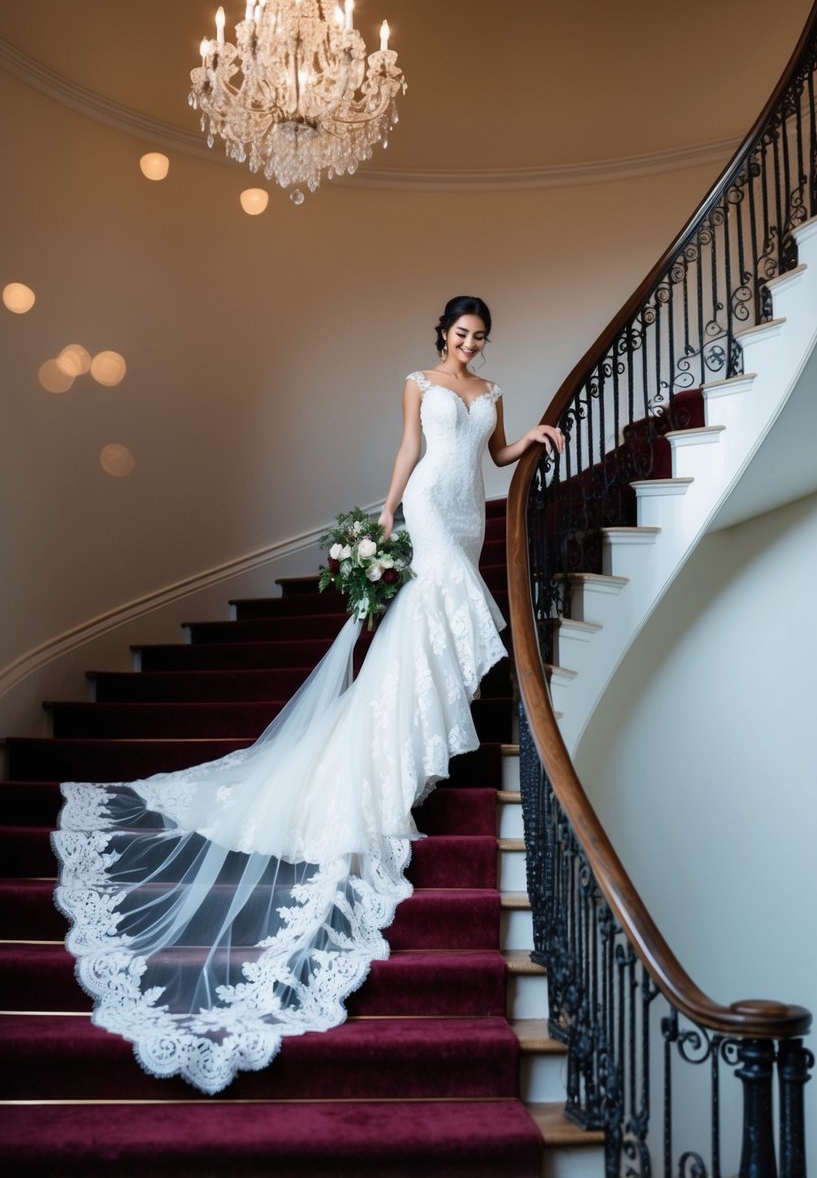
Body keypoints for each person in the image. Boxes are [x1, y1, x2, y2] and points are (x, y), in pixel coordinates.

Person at [53, 296, 565, 1095]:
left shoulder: (491, 390)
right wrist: (391, 504)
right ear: (440, 335)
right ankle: (402, 750)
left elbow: (492, 457)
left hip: (470, 518)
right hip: (430, 508)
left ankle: (412, 740)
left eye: (478, 338)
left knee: (438, 627)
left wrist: (526, 439)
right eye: (459, 335)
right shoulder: (417, 382)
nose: (468, 346)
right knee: (442, 613)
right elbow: (411, 450)